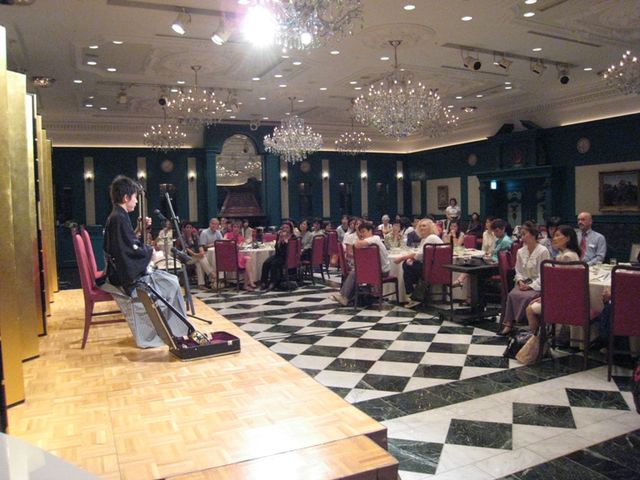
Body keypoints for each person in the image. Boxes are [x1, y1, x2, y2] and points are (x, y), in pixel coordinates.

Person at [101, 175, 189, 348]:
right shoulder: (118, 218)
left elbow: (126, 243)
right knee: (171, 283)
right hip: (123, 277)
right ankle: (174, 331)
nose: (136, 201)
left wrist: (139, 230)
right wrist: (150, 254)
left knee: (170, 281)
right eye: (134, 197)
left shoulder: (118, 216)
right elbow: (126, 251)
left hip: (120, 271)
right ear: (126, 198)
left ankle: (174, 329)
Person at [525, 225, 581, 333]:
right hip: (567, 298)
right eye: (554, 236)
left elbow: (564, 285)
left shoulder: (566, 257)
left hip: (564, 302)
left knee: (530, 309)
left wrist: (546, 298)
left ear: (567, 238)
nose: (554, 239)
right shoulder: (569, 254)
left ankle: (537, 339)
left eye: (558, 235)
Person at [498, 221, 550, 336]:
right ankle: (508, 324)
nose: (522, 237)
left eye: (524, 234)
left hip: (537, 284)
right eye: (521, 234)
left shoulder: (543, 251)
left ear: (533, 234)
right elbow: (518, 270)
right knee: (512, 295)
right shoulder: (521, 251)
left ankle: (529, 325)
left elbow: (544, 274)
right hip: (524, 282)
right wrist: (520, 281)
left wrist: (530, 286)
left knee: (527, 297)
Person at [330, 223, 390, 306]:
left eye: (363, 231)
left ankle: (345, 297)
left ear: (370, 231)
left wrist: (358, 241)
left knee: (355, 273)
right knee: (356, 272)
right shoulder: (369, 241)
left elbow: (357, 245)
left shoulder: (375, 238)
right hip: (375, 270)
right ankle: (345, 297)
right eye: (360, 232)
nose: (362, 234)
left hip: (383, 271)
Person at [394, 219, 443, 305]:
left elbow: (419, 255)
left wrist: (402, 258)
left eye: (424, 226)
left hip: (434, 269)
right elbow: (421, 255)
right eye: (420, 226)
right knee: (408, 266)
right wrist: (411, 259)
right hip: (432, 267)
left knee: (406, 266)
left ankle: (411, 294)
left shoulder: (431, 238)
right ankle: (416, 294)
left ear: (430, 227)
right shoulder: (426, 239)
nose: (421, 228)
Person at [176, 222, 215, 287]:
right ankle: (212, 274)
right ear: (184, 229)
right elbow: (187, 249)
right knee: (201, 258)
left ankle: (201, 284)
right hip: (186, 258)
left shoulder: (195, 236)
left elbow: (199, 245)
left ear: (192, 229)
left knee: (199, 264)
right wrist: (196, 255)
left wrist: (202, 252)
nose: (189, 229)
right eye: (187, 227)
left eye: (190, 227)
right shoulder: (181, 238)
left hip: (195, 258)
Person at [259, 222, 295, 291]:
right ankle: (264, 282)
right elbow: (277, 249)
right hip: (278, 255)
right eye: (283, 227)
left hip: (287, 257)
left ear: (290, 229)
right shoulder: (279, 235)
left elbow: (289, 251)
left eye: (287, 227)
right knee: (266, 263)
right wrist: (279, 242)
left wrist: (285, 242)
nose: (285, 229)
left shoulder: (293, 237)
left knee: (274, 264)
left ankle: (273, 283)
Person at [224, 221, 257, 291]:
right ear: (232, 228)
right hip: (229, 258)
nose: (236, 229)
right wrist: (233, 244)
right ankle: (249, 283)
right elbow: (224, 242)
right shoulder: (227, 235)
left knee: (248, 259)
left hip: (238, 257)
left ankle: (248, 283)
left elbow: (243, 246)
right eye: (234, 227)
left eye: (238, 227)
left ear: (240, 229)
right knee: (247, 261)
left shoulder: (241, 237)